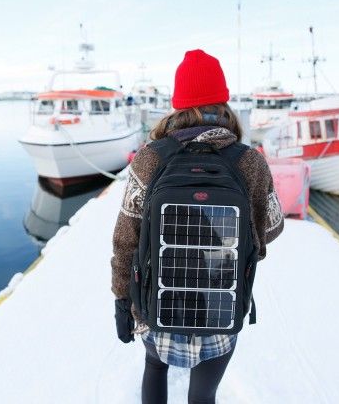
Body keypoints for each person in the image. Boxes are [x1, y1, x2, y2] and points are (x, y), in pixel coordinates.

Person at [111, 49, 284, 404]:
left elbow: (126, 239)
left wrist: (121, 300)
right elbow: (271, 229)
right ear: (223, 103)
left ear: (178, 104)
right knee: (204, 395)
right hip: (222, 306)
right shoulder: (249, 161)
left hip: (155, 307)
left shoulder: (150, 157)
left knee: (154, 367)